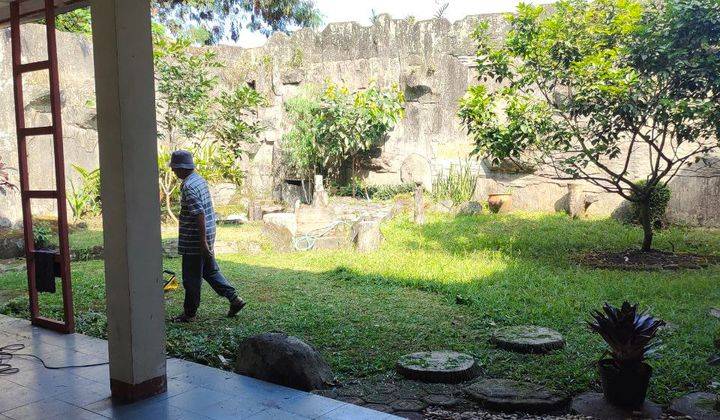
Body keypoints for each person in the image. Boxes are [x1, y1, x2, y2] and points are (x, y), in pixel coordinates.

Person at [169, 150, 246, 322]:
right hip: (208, 235)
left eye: (174, 168)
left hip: (195, 241)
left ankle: (189, 314)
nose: (173, 171)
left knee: (191, 279)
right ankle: (234, 299)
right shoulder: (199, 180)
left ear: (181, 168)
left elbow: (199, 214)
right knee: (210, 271)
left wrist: (202, 244)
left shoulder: (189, 187)